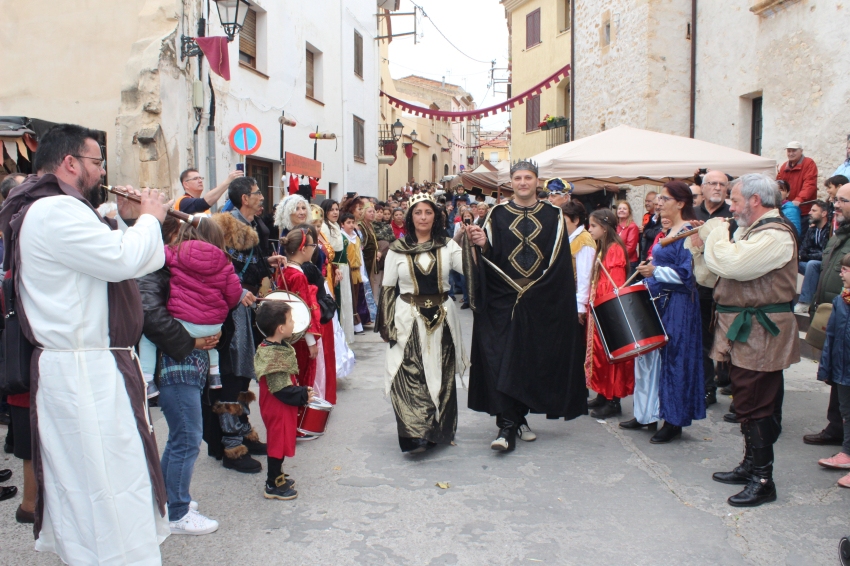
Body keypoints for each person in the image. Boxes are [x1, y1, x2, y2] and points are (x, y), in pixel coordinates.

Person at [0, 124, 170, 563]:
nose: (101, 172)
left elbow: (99, 258)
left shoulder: (53, 209)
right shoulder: (55, 211)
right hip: (83, 372)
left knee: (97, 479)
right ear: (71, 163)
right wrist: (151, 216)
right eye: (97, 163)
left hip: (84, 367)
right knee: (106, 482)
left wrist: (123, 219)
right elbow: (121, 259)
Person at [691, 173, 799, 507]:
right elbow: (711, 273)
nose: (731, 207)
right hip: (744, 329)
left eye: (735, 200)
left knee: (757, 402)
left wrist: (717, 233)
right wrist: (702, 246)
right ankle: (751, 465)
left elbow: (732, 263)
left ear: (755, 200)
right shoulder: (750, 231)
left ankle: (763, 479)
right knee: (746, 400)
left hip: (762, 331)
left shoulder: (776, 234)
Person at [466, 160, 587, 452]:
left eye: (528, 177)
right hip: (502, 298)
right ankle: (507, 424)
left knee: (528, 359)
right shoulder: (497, 213)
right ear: (511, 182)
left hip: (539, 297)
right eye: (518, 178)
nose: (523, 182)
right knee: (500, 356)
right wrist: (482, 243)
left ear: (537, 181)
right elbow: (491, 254)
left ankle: (518, 419)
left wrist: (540, 292)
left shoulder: (553, 214)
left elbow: (557, 258)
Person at [138, 216, 222, 536]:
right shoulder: (174, 275)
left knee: (179, 438)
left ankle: (163, 499)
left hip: (186, 367)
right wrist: (197, 341)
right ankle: (177, 511)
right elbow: (156, 323)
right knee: (186, 439)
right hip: (178, 368)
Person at [377, 192, 467, 453]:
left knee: (441, 373)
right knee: (408, 373)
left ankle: (436, 430)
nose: (423, 217)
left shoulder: (448, 246)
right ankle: (414, 432)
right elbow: (388, 288)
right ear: (410, 217)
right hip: (408, 318)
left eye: (428, 212)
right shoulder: (397, 249)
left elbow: (470, 268)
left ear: (436, 217)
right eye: (418, 212)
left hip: (443, 318)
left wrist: (475, 244)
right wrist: (387, 324)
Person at [208, 176, 285, 473]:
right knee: (232, 375)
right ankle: (231, 447)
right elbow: (219, 267)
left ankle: (243, 431)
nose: (262, 198)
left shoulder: (254, 224)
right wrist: (238, 291)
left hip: (249, 307)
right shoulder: (224, 226)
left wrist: (269, 262)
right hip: (231, 310)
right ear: (244, 199)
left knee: (243, 377)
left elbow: (251, 262)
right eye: (257, 194)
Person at [627, 181, 705, 443]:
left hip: (679, 305)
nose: (659, 202)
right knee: (649, 359)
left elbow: (688, 274)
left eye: (665, 198)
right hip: (658, 300)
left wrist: (656, 271)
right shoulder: (670, 229)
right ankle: (646, 414)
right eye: (659, 198)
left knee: (674, 361)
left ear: (681, 203)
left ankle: (673, 420)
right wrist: (649, 270)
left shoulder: (689, 231)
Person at [139, 219, 242, 398]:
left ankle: (147, 380)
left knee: (147, 338)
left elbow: (155, 258)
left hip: (184, 323)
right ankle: (215, 373)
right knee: (210, 341)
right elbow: (234, 296)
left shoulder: (174, 252)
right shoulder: (226, 263)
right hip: (214, 326)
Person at [803, 183, 850, 447]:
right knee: (836, 375)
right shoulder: (838, 234)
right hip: (834, 314)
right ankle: (836, 428)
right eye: (837, 200)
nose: (837, 205)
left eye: (843, 200)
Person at [254, 300, 314, 500]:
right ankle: (273, 484)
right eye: (290, 320)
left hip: (278, 403)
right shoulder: (274, 355)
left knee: (280, 439)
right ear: (280, 328)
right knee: (277, 443)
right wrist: (303, 395)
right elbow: (281, 388)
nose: (294, 323)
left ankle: (278, 475)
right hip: (278, 404)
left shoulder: (272, 344)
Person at [586, 208, 636, 419]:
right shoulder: (604, 247)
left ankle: (612, 400)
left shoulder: (614, 249)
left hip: (607, 309)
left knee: (610, 355)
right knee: (600, 354)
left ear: (605, 228)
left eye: (593, 226)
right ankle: (602, 393)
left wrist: (602, 306)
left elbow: (613, 283)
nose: (590, 230)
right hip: (599, 307)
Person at [693, 170, 735, 406]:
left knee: (730, 340)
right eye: (712, 183)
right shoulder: (693, 213)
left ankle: (732, 384)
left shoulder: (733, 214)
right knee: (702, 341)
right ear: (703, 187)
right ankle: (707, 387)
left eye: (722, 184)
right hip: (699, 288)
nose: (718, 187)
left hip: (726, 286)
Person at [814, 253, 850, 486]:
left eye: (846, 269)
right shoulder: (841, 300)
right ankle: (846, 452)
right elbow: (832, 337)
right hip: (843, 367)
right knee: (846, 412)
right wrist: (827, 368)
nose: (841, 272)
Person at [321, 199, 355, 344]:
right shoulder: (324, 227)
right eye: (331, 210)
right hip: (335, 268)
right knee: (338, 301)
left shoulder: (334, 225)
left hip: (343, 267)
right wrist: (334, 269)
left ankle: (344, 338)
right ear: (325, 211)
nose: (335, 212)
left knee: (345, 301)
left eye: (337, 209)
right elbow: (327, 252)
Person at [562, 201, 595, 326]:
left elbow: (585, 276)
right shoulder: (570, 238)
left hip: (574, 300)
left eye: (564, 221)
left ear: (575, 220)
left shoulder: (584, 240)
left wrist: (580, 306)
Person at [795, 200, 830, 314]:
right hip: (811, 263)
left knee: (812, 264)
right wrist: (803, 256)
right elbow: (803, 249)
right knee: (790, 262)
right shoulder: (812, 229)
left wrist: (807, 256)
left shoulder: (830, 230)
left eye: (814, 210)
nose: (810, 212)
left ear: (824, 213)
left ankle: (805, 302)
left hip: (824, 265)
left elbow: (825, 254)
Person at [174, 167, 243, 214]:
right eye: (195, 179)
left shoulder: (205, 209)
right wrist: (228, 181)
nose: (200, 181)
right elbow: (204, 202)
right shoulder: (183, 202)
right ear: (186, 184)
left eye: (200, 178)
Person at [776, 141, 818, 218]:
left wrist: (799, 199)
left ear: (801, 151)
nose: (791, 153)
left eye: (794, 151)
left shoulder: (809, 163)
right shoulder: (784, 166)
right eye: (789, 151)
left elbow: (810, 184)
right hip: (786, 209)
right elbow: (779, 185)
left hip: (803, 209)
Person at [615, 200, 640, 270]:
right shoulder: (615, 225)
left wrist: (616, 256)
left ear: (629, 212)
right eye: (619, 208)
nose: (621, 210)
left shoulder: (632, 226)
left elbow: (630, 248)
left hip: (629, 262)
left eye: (624, 209)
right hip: (616, 261)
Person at [641, 192, 662, 262]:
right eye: (656, 204)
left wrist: (645, 231)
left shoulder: (665, 220)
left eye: (660, 205)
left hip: (656, 257)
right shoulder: (651, 217)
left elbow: (657, 234)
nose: (657, 207)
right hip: (646, 255)